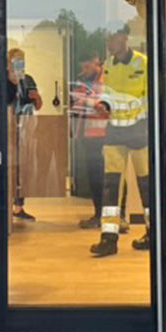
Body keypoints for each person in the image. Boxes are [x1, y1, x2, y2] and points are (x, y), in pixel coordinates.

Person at [91, 24, 151, 257]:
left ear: (124, 37)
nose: (109, 43)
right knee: (111, 185)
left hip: (139, 131)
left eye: (112, 38)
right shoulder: (108, 66)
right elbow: (108, 95)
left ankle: (153, 233)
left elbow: (151, 96)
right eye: (107, 39)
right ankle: (109, 238)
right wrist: (103, 106)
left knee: (146, 184)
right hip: (114, 131)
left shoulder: (143, 63)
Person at [69, 55, 107, 229]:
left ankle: (112, 216)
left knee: (107, 178)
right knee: (94, 177)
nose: (83, 71)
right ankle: (98, 214)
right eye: (82, 67)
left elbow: (105, 105)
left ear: (96, 62)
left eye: (86, 67)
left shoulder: (106, 80)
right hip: (87, 136)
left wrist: (86, 102)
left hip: (104, 135)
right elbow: (75, 106)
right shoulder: (82, 82)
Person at [5, 47, 42, 222]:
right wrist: (11, 81)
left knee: (22, 166)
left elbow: (38, 105)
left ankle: (19, 206)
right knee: (8, 165)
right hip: (7, 128)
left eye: (21, 62)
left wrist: (37, 97)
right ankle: (5, 205)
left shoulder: (28, 80)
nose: (18, 66)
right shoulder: (2, 79)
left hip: (25, 127)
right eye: (15, 61)